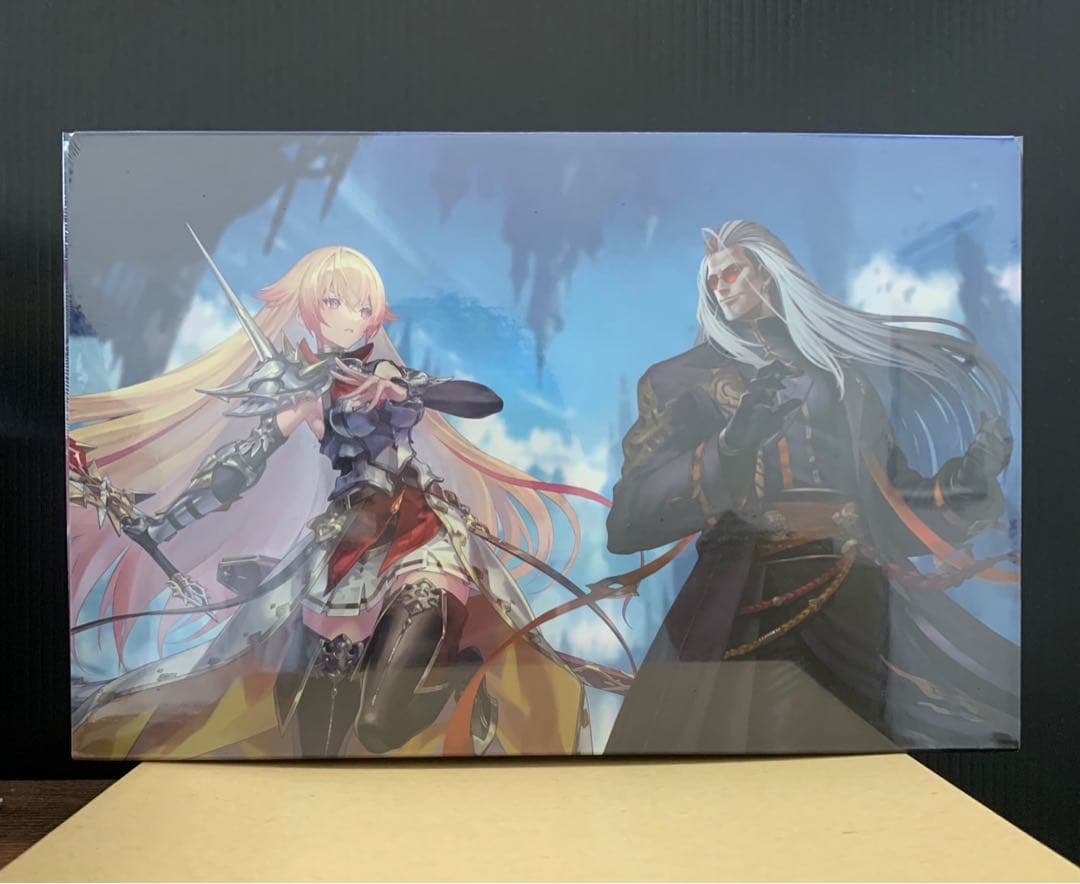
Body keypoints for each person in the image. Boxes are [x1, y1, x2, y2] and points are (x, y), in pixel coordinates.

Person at [69, 243, 614, 758]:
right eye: (335, 302)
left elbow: (484, 400)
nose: (351, 317)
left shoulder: (388, 373)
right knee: (318, 727)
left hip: (420, 535)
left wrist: (407, 389)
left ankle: (463, 674)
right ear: (309, 309)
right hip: (346, 545)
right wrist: (163, 524)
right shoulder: (304, 391)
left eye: (363, 306)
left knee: (379, 721)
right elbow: (239, 468)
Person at [603, 220, 1018, 753]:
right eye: (711, 280)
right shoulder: (678, 380)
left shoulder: (839, 377)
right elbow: (629, 518)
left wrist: (971, 477)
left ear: (768, 275)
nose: (719, 287)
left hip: (858, 594)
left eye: (731, 273)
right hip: (748, 596)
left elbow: (891, 505)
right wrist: (730, 445)